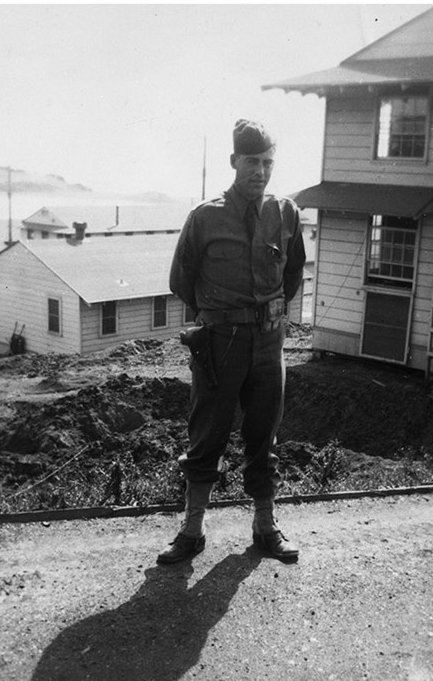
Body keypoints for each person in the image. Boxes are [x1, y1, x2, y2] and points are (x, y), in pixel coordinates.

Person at [159, 119, 306, 565]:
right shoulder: (205, 217)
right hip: (220, 342)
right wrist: (223, 317)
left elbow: (294, 273)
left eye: (267, 162)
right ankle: (192, 530)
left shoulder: (285, 213)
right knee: (207, 434)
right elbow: (180, 280)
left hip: (268, 342)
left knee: (265, 433)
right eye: (251, 162)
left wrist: (265, 315)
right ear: (233, 162)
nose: (260, 171)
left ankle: (265, 527)